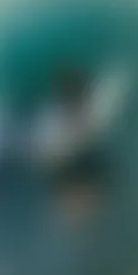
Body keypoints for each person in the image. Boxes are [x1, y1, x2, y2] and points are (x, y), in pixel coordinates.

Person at [29, 65, 112, 224]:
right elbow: (46, 160)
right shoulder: (50, 126)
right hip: (61, 164)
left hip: (80, 158)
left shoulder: (89, 112)